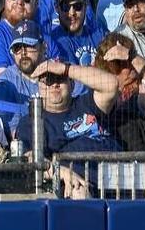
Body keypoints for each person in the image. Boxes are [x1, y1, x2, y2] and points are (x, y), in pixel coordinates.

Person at [13, 54, 120, 196]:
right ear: (39, 87)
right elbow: (29, 158)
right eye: (48, 81)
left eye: (60, 78)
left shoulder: (86, 103)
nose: (54, 84)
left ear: (72, 83)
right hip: (81, 184)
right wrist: (60, 171)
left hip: (120, 176)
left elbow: (111, 85)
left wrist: (65, 69)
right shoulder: (31, 122)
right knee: (78, 192)